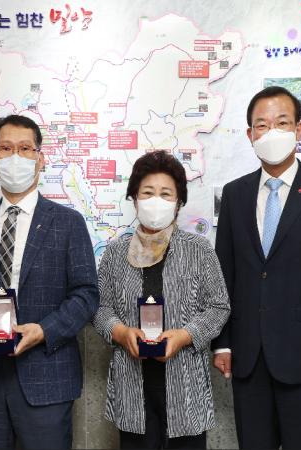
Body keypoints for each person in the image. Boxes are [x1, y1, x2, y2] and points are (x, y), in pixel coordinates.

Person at [211, 86, 301, 449]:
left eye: (282, 123)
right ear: (250, 135)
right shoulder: (234, 194)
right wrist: (222, 344)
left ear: (298, 130)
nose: (271, 132)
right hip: (248, 357)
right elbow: (224, 276)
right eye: (262, 125)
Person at [0, 114, 99, 450]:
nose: (15, 157)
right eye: (6, 148)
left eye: (25, 148)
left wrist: (44, 330)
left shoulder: (68, 222)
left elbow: (86, 294)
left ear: (40, 158)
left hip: (47, 378)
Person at [93, 150, 230, 449]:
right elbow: (101, 308)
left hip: (185, 386)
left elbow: (218, 307)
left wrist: (185, 335)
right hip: (132, 385)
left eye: (166, 194)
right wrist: (120, 331)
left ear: (179, 202)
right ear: (134, 198)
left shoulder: (199, 250)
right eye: (148, 192)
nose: (156, 201)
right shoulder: (115, 253)